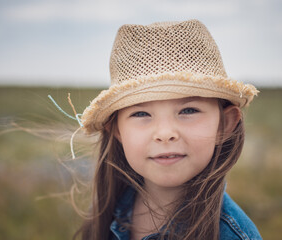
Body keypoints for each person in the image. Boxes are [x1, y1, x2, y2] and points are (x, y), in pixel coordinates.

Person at [72, 19, 262, 240]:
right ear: (117, 131)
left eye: (188, 110)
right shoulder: (110, 209)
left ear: (225, 124)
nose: (164, 133)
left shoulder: (232, 235)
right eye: (141, 114)